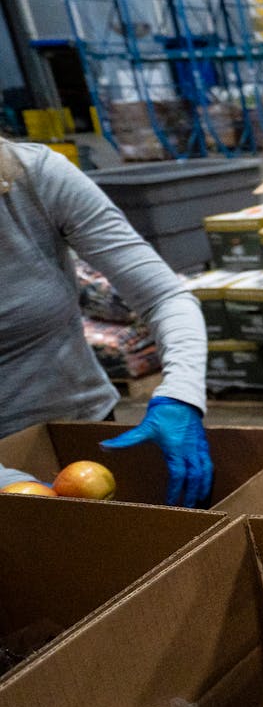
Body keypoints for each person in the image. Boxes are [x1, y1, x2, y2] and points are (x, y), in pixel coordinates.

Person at [0, 139, 213, 507]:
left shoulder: (31, 178)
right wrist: (14, 482)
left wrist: (181, 393)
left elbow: (165, 297)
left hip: (80, 435)